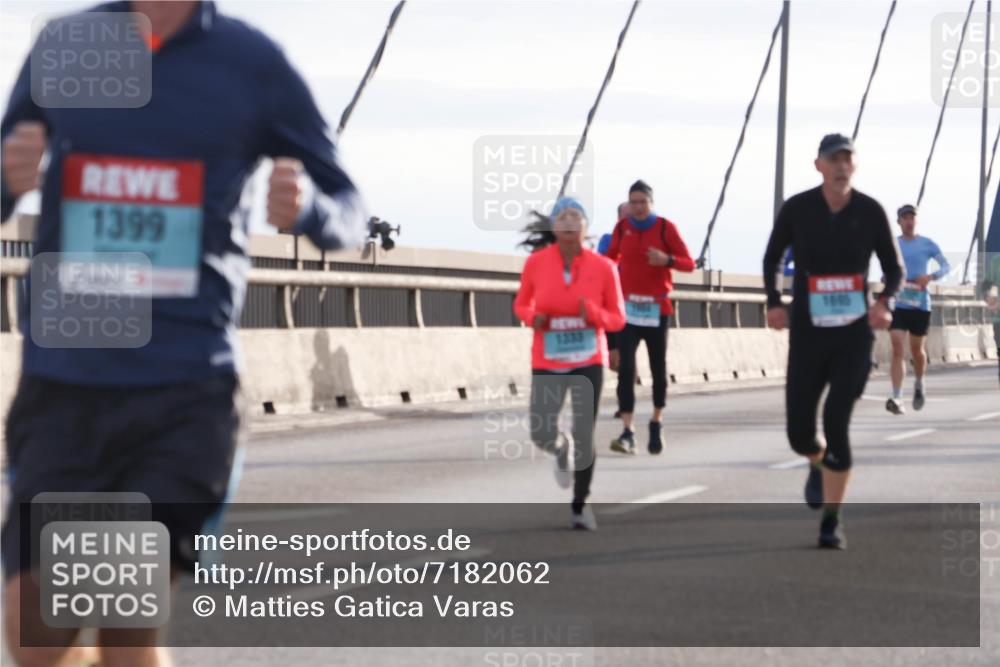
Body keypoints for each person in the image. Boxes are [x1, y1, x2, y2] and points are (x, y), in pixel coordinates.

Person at [0, 2, 367, 665]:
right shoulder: (71, 44)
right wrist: (6, 178)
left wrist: (308, 208)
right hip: (64, 384)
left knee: (122, 616)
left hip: (183, 390)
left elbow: (351, 211)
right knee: (35, 633)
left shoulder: (251, 63)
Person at [762, 133, 903, 550]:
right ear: (818, 165)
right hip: (808, 330)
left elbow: (893, 268)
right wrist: (774, 302)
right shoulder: (799, 208)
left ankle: (831, 520)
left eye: (847, 159)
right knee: (799, 433)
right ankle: (816, 460)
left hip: (854, 334)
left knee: (837, 420)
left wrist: (885, 302)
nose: (841, 166)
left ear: (855, 165)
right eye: (833, 160)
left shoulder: (870, 210)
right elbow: (772, 258)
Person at [515, 198, 625, 530]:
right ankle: (560, 449)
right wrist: (533, 317)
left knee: (584, 430)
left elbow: (618, 318)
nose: (569, 221)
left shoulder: (604, 267)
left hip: (588, 358)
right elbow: (521, 304)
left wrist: (594, 315)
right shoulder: (536, 263)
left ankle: (580, 505)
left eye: (576, 216)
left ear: (586, 226)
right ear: (553, 225)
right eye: (562, 216)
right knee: (541, 431)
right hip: (548, 357)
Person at [605, 180, 695, 455]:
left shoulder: (666, 228)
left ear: (651, 203)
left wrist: (667, 260)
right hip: (629, 311)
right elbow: (608, 261)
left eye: (643, 202)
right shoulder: (623, 228)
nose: (638, 207)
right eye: (633, 203)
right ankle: (628, 431)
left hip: (657, 311)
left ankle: (656, 421)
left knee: (658, 368)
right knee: (626, 370)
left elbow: (689, 264)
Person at [885, 204, 950, 414]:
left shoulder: (927, 244)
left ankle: (920, 383)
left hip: (920, 304)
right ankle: (896, 397)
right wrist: (887, 277)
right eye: (905, 218)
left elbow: (946, 266)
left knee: (916, 350)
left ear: (916, 220)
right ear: (899, 222)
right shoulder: (893, 244)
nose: (909, 221)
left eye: (912, 217)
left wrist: (930, 277)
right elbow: (887, 266)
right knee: (897, 347)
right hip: (899, 304)